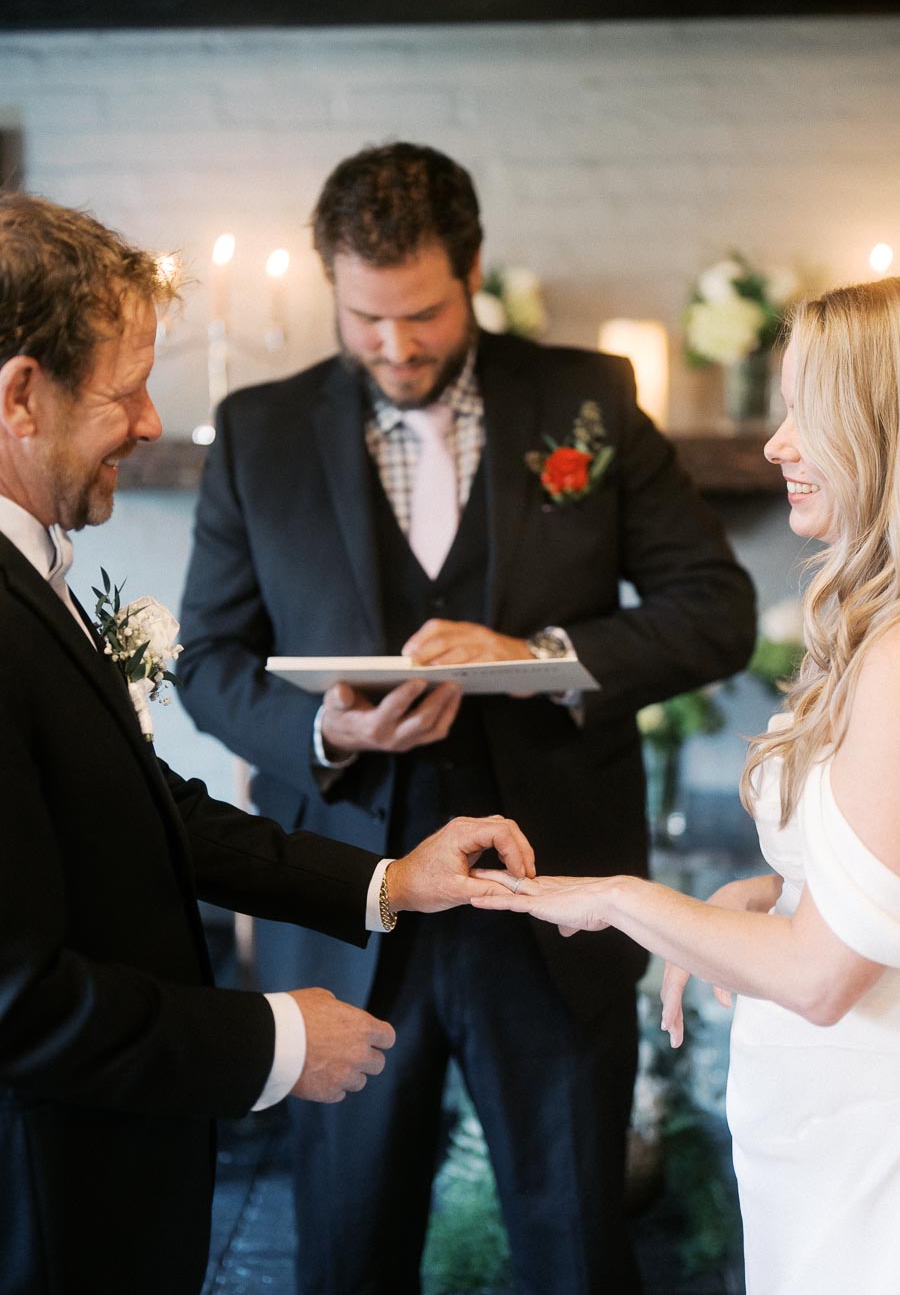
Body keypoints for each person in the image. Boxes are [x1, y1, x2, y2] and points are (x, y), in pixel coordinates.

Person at [178, 140, 757, 1293]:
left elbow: (716, 609)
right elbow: (206, 659)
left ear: (475, 272)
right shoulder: (259, 431)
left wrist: (542, 659)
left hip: (553, 910)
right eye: (365, 317)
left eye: (424, 315)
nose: (395, 345)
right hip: (348, 909)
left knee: (577, 1250)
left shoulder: (588, 400)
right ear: (331, 287)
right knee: (347, 1254)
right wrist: (325, 734)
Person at [0, 190, 535, 1295]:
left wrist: (391, 881)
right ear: (20, 396)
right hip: (41, 1212)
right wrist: (273, 1043)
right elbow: (16, 1001)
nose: (153, 422)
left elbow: (149, 808)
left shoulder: (28, 571)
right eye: (125, 390)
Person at [474, 275, 900, 1295]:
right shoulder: (875, 634)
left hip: (868, 1138)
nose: (777, 445)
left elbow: (820, 978)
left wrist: (623, 899)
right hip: (823, 1128)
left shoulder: (895, 658)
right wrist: (776, 892)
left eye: (806, 411)